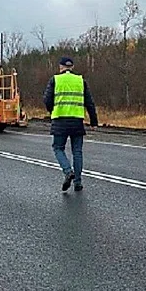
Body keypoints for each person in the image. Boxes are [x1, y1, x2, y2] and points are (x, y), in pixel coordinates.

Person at [43, 57, 98, 193]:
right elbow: (89, 102)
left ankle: (68, 171)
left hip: (60, 120)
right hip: (77, 121)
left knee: (58, 148)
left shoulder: (55, 80)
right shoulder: (80, 80)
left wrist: (52, 110)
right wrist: (94, 121)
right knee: (77, 152)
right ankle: (78, 183)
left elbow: (47, 99)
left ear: (61, 67)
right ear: (72, 67)